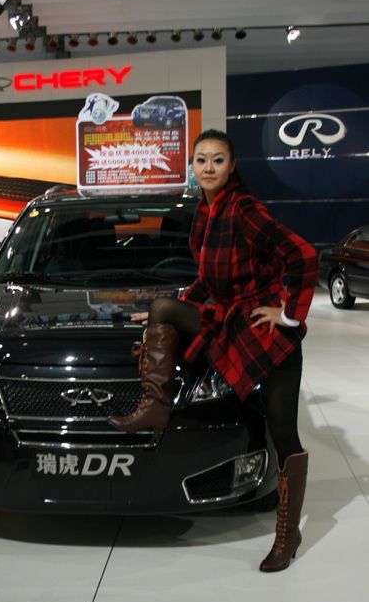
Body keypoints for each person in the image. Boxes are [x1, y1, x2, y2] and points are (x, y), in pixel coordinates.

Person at [109, 129, 318, 573]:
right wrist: (170, 313)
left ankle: (288, 533)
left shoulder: (244, 209)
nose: (208, 167)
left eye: (217, 160)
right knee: (163, 308)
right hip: (234, 321)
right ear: (192, 166)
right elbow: (208, 280)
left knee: (284, 435)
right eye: (201, 160)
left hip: (266, 335)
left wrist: (289, 315)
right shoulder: (206, 211)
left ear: (232, 165)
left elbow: (303, 254)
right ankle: (155, 406)